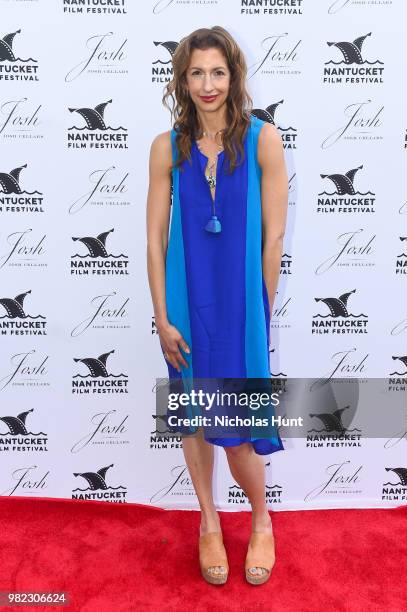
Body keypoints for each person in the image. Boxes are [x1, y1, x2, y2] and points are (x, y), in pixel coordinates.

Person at [146, 26, 288, 586]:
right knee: (195, 421)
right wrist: (161, 316)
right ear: (183, 79)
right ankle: (208, 520)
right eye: (196, 72)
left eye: (218, 72)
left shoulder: (262, 140)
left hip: (240, 304)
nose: (208, 84)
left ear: (234, 76)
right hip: (184, 304)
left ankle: (260, 520)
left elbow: (272, 239)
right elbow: (155, 239)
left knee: (239, 431)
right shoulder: (168, 147)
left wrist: (260, 309)